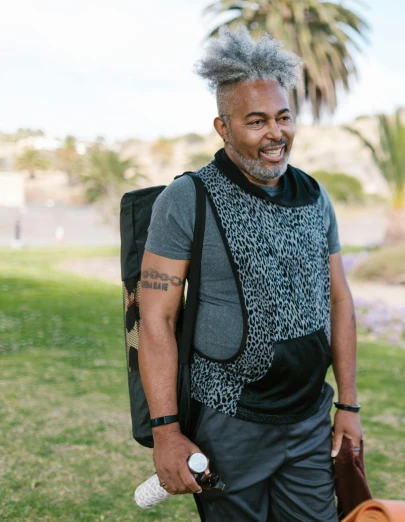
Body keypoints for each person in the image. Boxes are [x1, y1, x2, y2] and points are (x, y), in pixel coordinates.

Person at [138, 26, 362, 522]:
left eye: (283, 118)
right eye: (256, 121)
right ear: (223, 127)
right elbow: (155, 319)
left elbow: (339, 300)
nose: (275, 134)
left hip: (309, 418)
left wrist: (348, 405)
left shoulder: (314, 195)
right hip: (227, 423)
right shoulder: (188, 199)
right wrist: (167, 432)